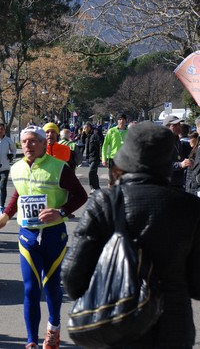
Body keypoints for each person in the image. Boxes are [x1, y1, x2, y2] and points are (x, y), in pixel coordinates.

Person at [62, 121, 200, 348]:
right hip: (173, 327)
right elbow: (197, 284)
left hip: (114, 324)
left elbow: (72, 279)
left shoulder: (105, 202)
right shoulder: (191, 207)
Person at [0, 125, 87, 349]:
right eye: (24, 142)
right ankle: (31, 340)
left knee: (52, 285)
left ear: (44, 143)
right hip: (28, 234)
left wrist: (60, 212)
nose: (28, 145)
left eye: (33, 141)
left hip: (54, 234)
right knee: (31, 288)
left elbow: (81, 196)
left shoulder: (59, 168)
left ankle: (53, 328)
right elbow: (18, 194)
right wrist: (4, 216)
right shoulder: (17, 168)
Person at [163, 114, 193, 189]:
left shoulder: (177, 140)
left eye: (179, 124)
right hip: (167, 184)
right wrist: (180, 165)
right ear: (167, 127)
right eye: (175, 125)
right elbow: (162, 164)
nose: (179, 127)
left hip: (179, 183)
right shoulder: (162, 141)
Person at [102, 113, 128, 187]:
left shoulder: (129, 132)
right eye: (120, 119)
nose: (121, 121)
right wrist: (104, 158)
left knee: (123, 180)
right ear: (117, 121)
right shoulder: (111, 131)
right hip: (113, 158)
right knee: (112, 180)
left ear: (126, 121)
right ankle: (111, 196)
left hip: (124, 159)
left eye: (123, 119)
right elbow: (105, 145)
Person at [84, 122, 102, 192]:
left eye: (85, 128)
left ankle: (92, 188)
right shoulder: (88, 135)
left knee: (91, 172)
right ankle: (97, 187)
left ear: (89, 127)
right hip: (90, 157)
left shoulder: (95, 134)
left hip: (95, 156)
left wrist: (101, 155)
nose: (84, 130)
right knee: (94, 173)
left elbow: (100, 144)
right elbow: (85, 143)